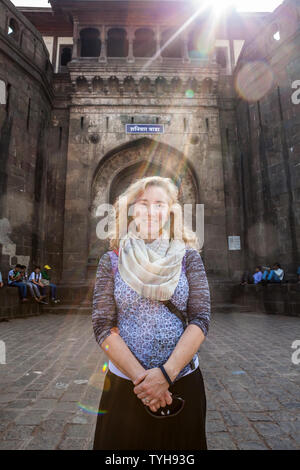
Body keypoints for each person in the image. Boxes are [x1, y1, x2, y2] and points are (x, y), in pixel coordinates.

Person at [92, 176, 211, 450]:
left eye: (159, 204)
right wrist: (144, 382)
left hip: (181, 381)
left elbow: (200, 318)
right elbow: (102, 325)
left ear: (170, 211)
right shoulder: (111, 260)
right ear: (131, 210)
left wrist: (165, 376)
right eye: (143, 203)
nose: (151, 211)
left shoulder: (188, 257)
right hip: (128, 386)